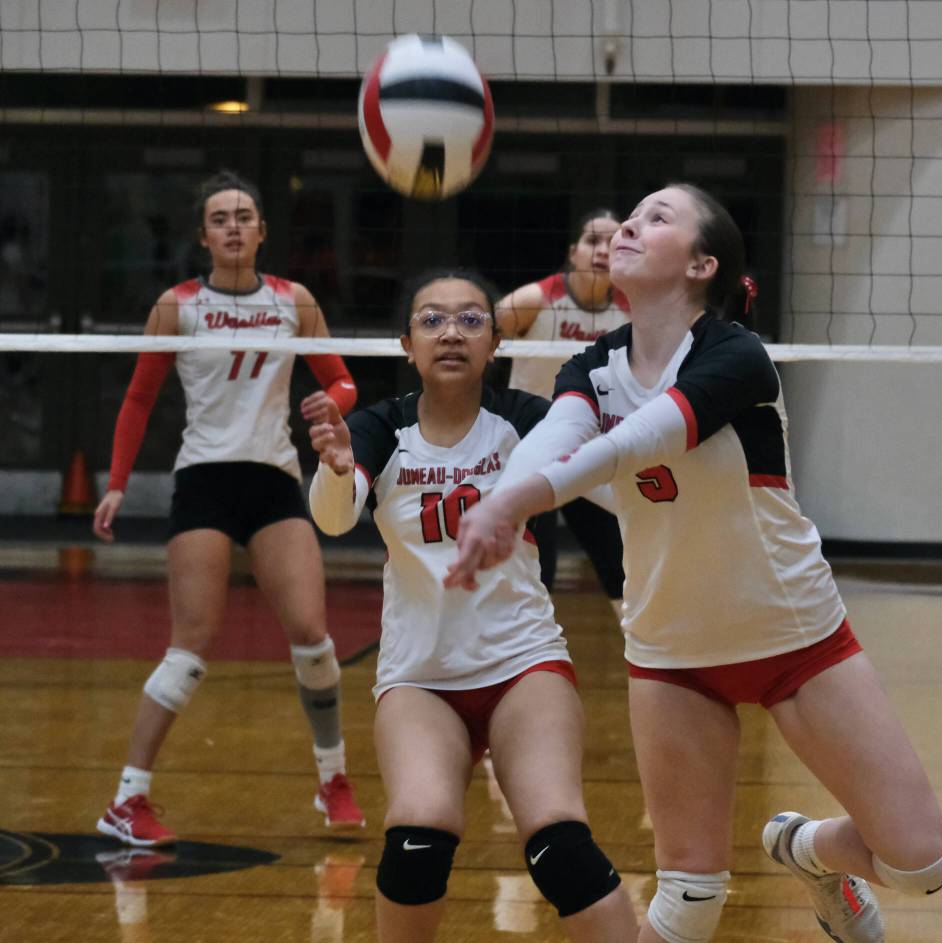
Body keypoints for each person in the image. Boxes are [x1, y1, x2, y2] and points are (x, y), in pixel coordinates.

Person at [445, 184, 942, 943]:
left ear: (701, 264)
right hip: (671, 650)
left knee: (921, 862)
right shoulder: (593, 365)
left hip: (792, 637)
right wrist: (506, 498)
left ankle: (805, 848)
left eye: (656, 218)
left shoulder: (736, 356)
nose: (628, 226)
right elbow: (555, 438)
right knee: (687, 895)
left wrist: (513, 502)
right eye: (631, 215)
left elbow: (638, 441)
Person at [306, 270, 638, 943]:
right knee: (418, 840)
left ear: (494, 343)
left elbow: (616, 490)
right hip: (421, 677)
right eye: (431, 320)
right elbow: (335, 519)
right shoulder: (379, 426)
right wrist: (336, 470)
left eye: (470, 319)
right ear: (407, 345)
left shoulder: (526, 420)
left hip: (522, 664)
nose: (451, 332)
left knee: (560, 845)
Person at [91, 170, 364, 846]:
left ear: (262, 231)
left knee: (314, 637)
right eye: (220, 219)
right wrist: (117, 482)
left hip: (274, 480)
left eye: (244, 217)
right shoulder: (176, 306)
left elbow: (343, 380)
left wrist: (333, 403)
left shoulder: (293, 300)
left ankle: (333, 779)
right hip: (205, 482)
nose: (233, 227)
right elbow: (138, 398)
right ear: (203, 235)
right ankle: (127, 798)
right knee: (190, 648)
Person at [497, 209, 628, 613]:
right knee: (540, 572)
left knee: (622, 569)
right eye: (593, 241)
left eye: (613, 243)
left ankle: (647, 646)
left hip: (591, 452)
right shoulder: (534, 301)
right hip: (533, 450)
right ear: (574, 252)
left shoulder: (635, 311)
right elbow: (476, 339)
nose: (602, 251)